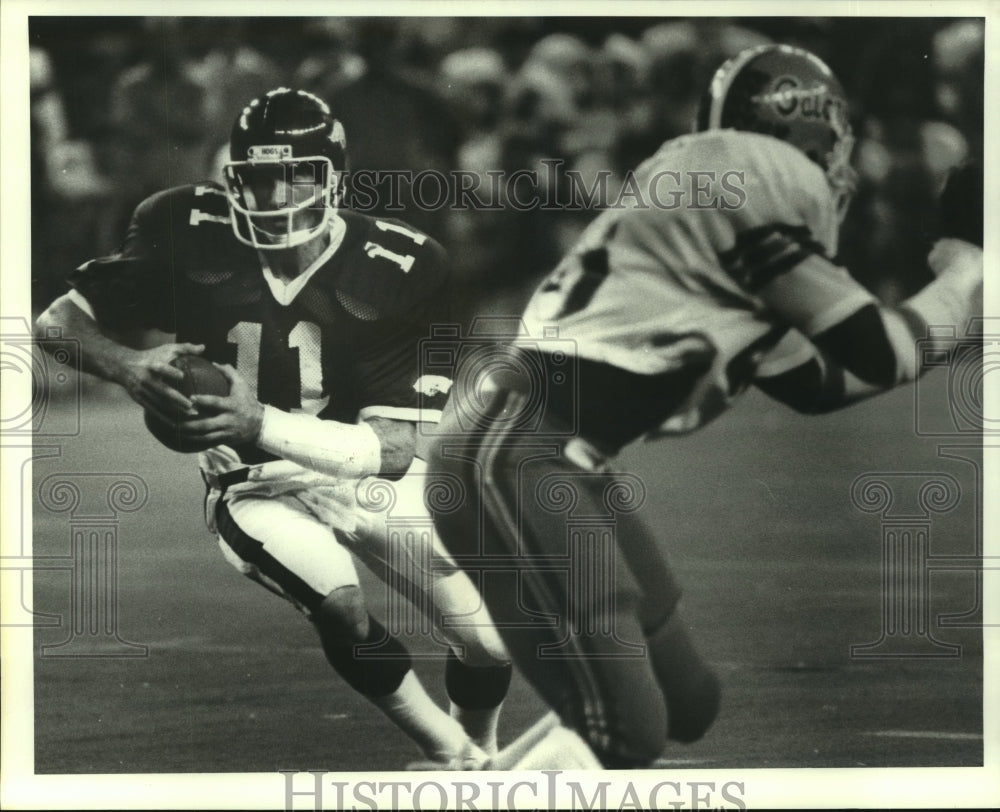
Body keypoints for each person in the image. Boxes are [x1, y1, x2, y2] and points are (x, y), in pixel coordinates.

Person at [422, 44, 984, 769]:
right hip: (515, 458)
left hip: (551, 458)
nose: (836, 168)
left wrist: (957, 307)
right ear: (803, 131)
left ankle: (499, 778)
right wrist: (970, 267)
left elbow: (821, 383)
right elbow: (883, 349)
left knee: (687, 700)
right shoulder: (755, 177)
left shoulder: (710, 216)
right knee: (628, 733)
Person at [35, 87, 511, 767]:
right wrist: (130, 365)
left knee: (490, 642)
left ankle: (483, 751)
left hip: (357, 467)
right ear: (231, 176)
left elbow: (392, 450)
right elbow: (58, 321)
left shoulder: (404, 264)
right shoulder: (186, 224)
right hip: (251, 484)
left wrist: (255, 417)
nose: (274, 195)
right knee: (342, 606)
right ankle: (451, 756)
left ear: (334, 177)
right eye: (257, 177)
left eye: (297, 174)